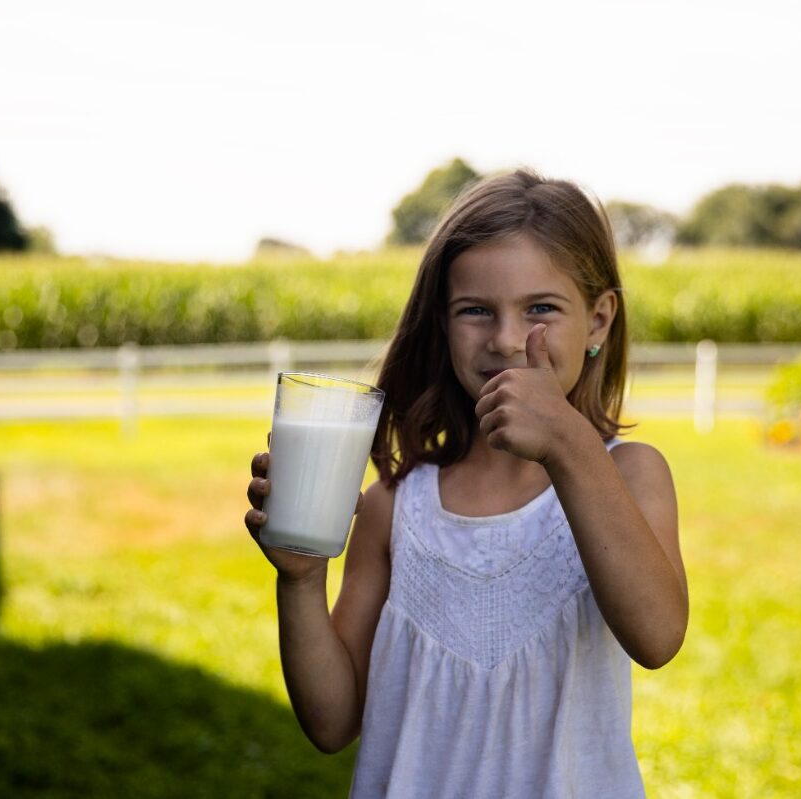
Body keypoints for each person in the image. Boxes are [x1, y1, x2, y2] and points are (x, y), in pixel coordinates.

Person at [245, 168, 688, 798]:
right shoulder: (395, 505)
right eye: (476, 311)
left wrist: (568, 442)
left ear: (598, 321)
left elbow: (658, 637)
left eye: (540, 309)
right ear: (442, 323)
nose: (505, 340)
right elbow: (332, 721)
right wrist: (301, 579)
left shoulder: (630, 474)